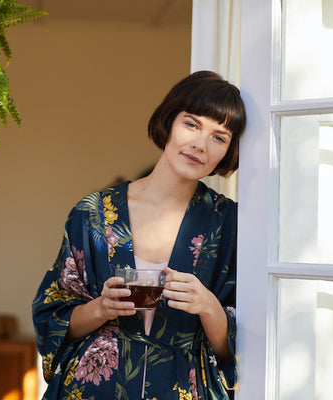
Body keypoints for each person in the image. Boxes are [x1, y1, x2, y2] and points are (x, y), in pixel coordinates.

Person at [32, 70, 246, 400]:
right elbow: (52, 321)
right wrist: (101, 308)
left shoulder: (228, 223)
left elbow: (237, 351)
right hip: (93, 389)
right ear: (170, 121)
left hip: (183, 390)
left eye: (219, 137)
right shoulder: (93, 213)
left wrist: (208, 306)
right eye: (191, 124)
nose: (200, 144)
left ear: (229, 151)